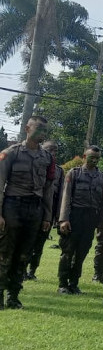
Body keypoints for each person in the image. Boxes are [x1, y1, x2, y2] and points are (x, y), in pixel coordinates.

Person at [0, 116, 54, 310]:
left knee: (24, 255)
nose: (42, 134)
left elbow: (49, 189)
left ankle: (13, 296)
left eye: (44, 130)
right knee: (5, 252)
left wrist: (47, 216)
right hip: (12, 205)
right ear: (27, 128)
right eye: (38, 129)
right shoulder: (11, 153)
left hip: (35, 209)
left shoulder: (47, 158)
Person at [57, 145, 103, 295]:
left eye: (97, 158)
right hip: (74, 216)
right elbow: (66, 197)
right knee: (68, 252)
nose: (95, 160)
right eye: (92, 157)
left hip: (91, 218)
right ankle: (62, 284)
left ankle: (74, 283)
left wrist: (101, 221)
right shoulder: (74, 173)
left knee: (82, 253)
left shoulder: (102, 177)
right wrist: (64, 219)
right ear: (84, 157)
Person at [25, 139, 64, 280]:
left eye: (56, 151)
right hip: (32, 208)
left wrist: (57, 217)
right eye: (50, 150)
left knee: (39, 245)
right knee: (27, 242)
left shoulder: (59, 170)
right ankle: (22, 271)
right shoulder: (34, 165)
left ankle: (32, 271)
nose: (53, 153)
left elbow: (60, 195)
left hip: (48, 212)